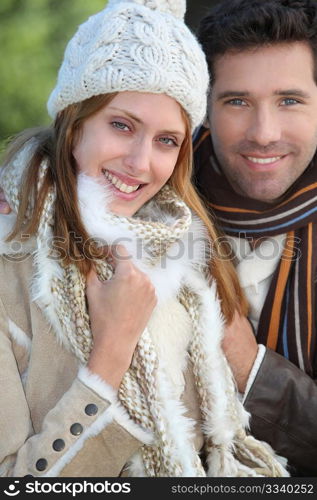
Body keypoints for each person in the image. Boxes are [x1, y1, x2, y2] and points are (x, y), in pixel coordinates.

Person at [0, 0, 288, 478]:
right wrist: (110, 355)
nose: (139, 163)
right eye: (121, 125)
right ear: (74, 125)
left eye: (166, 140)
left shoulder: (187, 262)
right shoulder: (12, 270)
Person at [192, 0, 317, 477]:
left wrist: (249, 368)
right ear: (205, 106)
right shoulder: (153, 193)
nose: (264, 134)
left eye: (290, 100)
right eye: (237, 101)